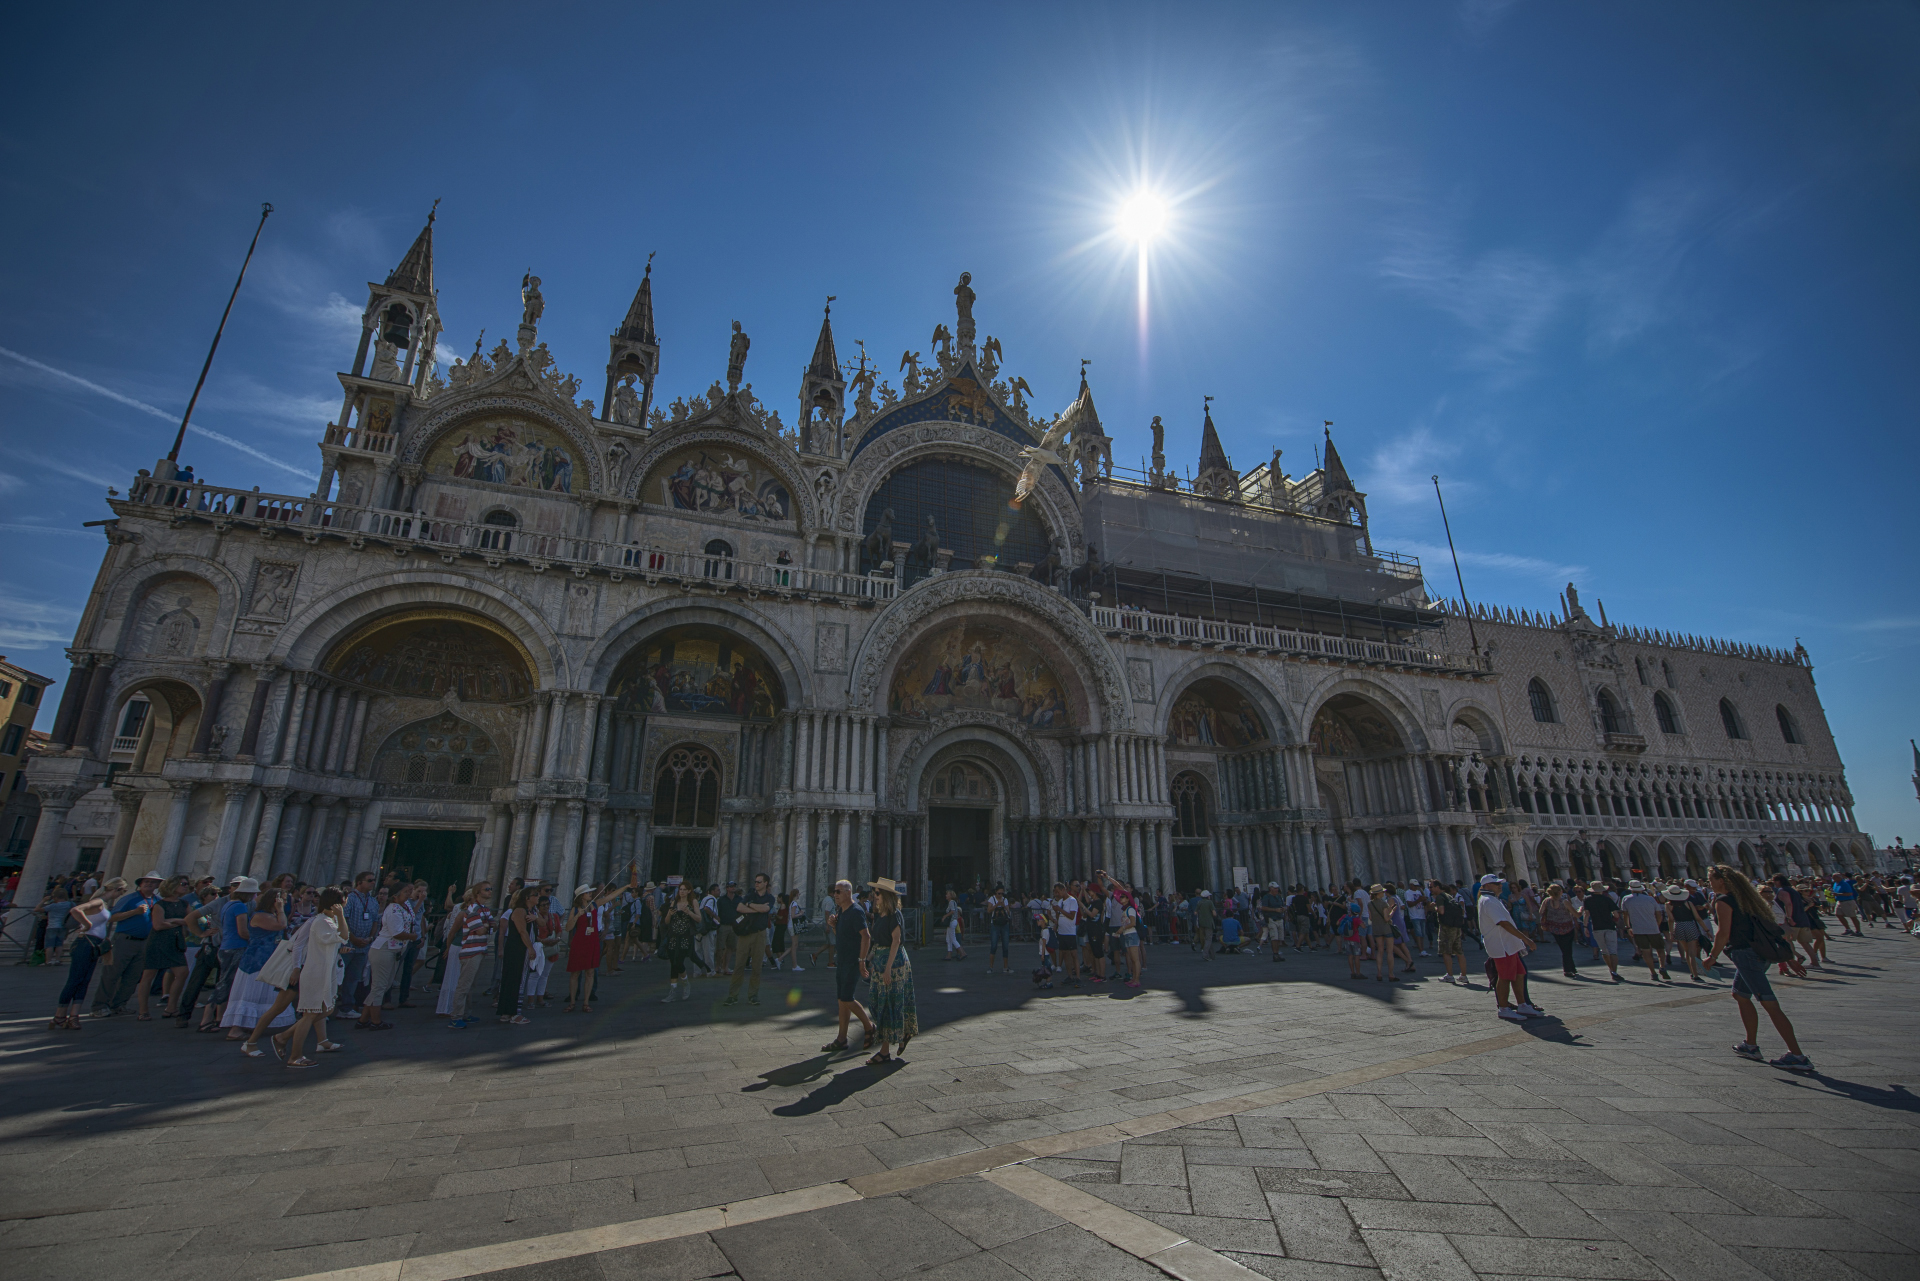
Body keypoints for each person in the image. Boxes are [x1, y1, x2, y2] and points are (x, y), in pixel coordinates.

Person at [1704, 864, 1813, 1072]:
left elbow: (1723, 933)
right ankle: (1750, 1045)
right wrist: (1788, 957)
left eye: (1711, 879)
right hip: (1760, 954)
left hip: (1746, 955)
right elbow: (1771, 930)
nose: (1710, 883)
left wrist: (1712, 957)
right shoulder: (1749, 899)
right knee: (1740, 995)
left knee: (1769, 1003)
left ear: (1722, 881)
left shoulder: (1723, 900)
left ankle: (1797, 1056)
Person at [280, 889, 346, 1068]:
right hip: (316, 971)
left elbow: (340, 940)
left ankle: (284, 1036)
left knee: (326, 1010)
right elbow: (343, 936)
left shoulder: (329, 920)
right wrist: (296, 968)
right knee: (310, 1014)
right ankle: (294, 1055)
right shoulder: (320, 920)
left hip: (325, 970)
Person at [230, 889, 294, 1052]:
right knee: (249, 993)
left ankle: (252, 1025)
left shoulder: (272, 915)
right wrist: (280, 910)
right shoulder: (260, 916)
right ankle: (235, 1028)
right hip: (255, 960)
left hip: (268, 960)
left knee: (262, 994)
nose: (285, 903)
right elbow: (281, 925)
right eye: (283, 900)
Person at [90, 871, 161, 1017]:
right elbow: (112, 917)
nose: (149, 884)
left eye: (153, 882)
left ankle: (119, 1004)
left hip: (145, 942)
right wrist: (134, 912)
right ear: (140, 884)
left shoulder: (158, 900)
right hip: (124, 940)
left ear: (157, 885)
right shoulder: (129, 899)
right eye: (146, 881)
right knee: (111, 974)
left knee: (133, 977)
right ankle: (100, 1005)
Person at [51, 879, 119, 1030]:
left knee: (84, 980)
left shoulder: (103, 904)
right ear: (116, 889)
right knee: (75, 979)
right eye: (122, 891)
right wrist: (87, 924)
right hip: (85, 942)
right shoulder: (98, 901)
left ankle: (74, 1015)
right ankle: (60, 1015)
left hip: (95, 944)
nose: (120, 894)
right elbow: (76, 910)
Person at [865, 879, 916, 1064]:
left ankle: (884, 1051)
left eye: (877, 893)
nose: (874, 896)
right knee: (876, 1002)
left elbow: (896, 941)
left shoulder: (895, 914)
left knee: (888, 1004)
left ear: (886, 895)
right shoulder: (879, 914)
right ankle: (904, 1033)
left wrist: (887, 968)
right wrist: (867, 959)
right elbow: (878, 941)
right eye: (874, 893)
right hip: (880, 961)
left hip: (894, 965)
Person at [1476, 875, 1539, 1021]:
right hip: (1501, 944)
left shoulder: (1492, 899)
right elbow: (1503, 923)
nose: (1500, 886)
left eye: (1499, 884)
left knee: (1519, 973)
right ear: (1487, 886)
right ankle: (1503, 1008)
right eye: (1496, 884)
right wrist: (1526, 939)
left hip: (1508, 944)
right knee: (1505, 976)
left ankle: (1522, 1004)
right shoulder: (1488, 901)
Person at [823, 879, 876, 1052]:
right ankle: (841, 1039)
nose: (835, 895)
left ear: (848, 892)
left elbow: (866, 936)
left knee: (846, 998)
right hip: (843, 960)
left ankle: (869, 1026)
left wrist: (862, 961)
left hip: (853, 961)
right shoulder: (841, 911)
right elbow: (842, 935)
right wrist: (833, 926)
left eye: (838, 892)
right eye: (834, 891)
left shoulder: (856, 911)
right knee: (842, 1000)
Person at [360, 882, 417, 1030]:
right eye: (405, 891)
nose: (409, 894)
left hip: (395, 950)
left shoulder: (405, 906)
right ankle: (375, 1021)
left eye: (410, 891)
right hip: (384, 949)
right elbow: (396, 932)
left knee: (384, 985)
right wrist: (412, 936)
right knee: (379, 986)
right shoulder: (393, 909)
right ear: (395, 895)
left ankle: (363, 1019)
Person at [135, 875, 192, 1020]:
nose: (186, 886)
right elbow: (158, 925)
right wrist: (179, 922)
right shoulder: (160, 905)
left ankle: (171, 1007)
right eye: (183, 884)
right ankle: (143, 1011)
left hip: (176, 941)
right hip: (158, 941)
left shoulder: (184, 904)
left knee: (182, 972)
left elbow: (190, 920)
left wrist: (173, 921)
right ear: (173, 886)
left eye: (187, 884)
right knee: (148, 975)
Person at [724, 872, 777, 1006]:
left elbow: (766, 909)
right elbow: (739, 907)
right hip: (745, 934)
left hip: (760, 933)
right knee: (739, 965)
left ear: (765, 883)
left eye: (759, 882)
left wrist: (749, 905)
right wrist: (757, 908)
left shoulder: (770, 897)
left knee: (757, 966)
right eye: (755, 881)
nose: (756, 884)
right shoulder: (750, 895)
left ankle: (753, 995)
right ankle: (733, 995)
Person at [337, 871, 380, 1019]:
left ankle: (346, 1008)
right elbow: (343, 920)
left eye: (374, 880)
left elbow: (375, 920)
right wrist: (353, 938)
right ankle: (326, 1008)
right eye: (370, 880)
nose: (373, 883)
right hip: (348, 944)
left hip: (363, 946)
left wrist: (370, 938)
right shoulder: (350, 898)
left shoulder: (373, 901)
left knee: (353, 978)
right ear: (360, 882)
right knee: (336, 976)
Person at [496, 886, 536, 1024]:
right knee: (516, 979)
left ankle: (507, 1012)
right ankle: (514, 1012)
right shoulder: (520, 910)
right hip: (517, 949)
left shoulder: (530, 911)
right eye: (535, 895)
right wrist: (530, 948)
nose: (538, 897)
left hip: (519, 948)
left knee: (515, 978)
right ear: (527, 898)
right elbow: (522, 931)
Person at [1620, 881, 1671, 983]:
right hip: (1653, 928)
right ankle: (1662, 966)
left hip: (1638, 929)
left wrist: (1628, 927)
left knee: (1646, 951)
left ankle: (1653, 972)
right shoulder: (1650, 899)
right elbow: (1658, 913)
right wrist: (1657, 924)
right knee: (1660, 949)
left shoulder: (1626, 899)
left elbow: (1625, 915)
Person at [1663, 885, 1708, 982]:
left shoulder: (1668, 905)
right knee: (1692, 952)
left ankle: (1692, 972)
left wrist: (1671, 932)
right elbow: (1697, 918)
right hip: (1690, 925)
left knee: (1687, 951)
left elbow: (1671, 920)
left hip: (1678, 926)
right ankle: (1695, 974)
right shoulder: (1688, 903)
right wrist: (1706, 930)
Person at [1581, 880, 1623, 982]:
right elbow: (1616, 914)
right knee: (1613, 951)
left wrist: (1585, 927)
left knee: (1604, 950)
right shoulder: (1607, 899)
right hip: (1609, 926)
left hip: (1597, 927)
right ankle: (1614, 971)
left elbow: (1586, 914)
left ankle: (1611, 969)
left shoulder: (1587, 900)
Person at [1539, 882, 1578, 978]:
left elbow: (1541, 911)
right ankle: (1568, 969)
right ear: (1560, 892)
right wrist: (1581, 910)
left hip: (1554, 928)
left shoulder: (1546, 901)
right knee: (1567, 949)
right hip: (1567, 927)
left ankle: (1572, 967)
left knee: (1564, 948)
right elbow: (1576, 914)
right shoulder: (1564, 902)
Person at [1435, 881, 1471, 983]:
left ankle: (1450, 975)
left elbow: (1441, 911)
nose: (1430, 889)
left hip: (1446, 927)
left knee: (1446, 951)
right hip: (1456, 926)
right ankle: (1463, 975)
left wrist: (1434, 907)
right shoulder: (1450, 897)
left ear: (1438, 887)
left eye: (1431, 887)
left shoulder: (1440, 897)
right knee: (1459, 952)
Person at [985, 884, 1013, 974]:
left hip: (1004, 924)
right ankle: (991, 967)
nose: (1000, 895)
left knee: (1005, 946)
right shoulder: (992, 899)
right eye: (999, 893)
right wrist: (996, 905)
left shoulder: (1005, 900)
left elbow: (1008, 912)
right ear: (995, 892)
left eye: (1002, 893)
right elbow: (988, 910)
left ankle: (1005, 967)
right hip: (995, 924)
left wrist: (1004, 906)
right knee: (993, 945)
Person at [1829, 872, 1862, 936]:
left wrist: (1838, 894)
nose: (1833, 879)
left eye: (1834, 877)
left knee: (1852, 916)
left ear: (1839, 877)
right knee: (1838, 914)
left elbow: (1850, 893)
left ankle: (1858, 931)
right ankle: (1848, 929)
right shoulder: (1835, 884)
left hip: (1847, 901)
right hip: (1839, 901)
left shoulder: (1844, 884)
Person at [941, 888, 968, 962]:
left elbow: (952, 911)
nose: (946, 895)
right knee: (948, 939)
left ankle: (962, 952)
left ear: (951, 895)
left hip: (952, 921)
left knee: (953, 939)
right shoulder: (953, 902)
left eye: (947, 894)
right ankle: (949, 954)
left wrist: (945, 916)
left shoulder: (951, 902)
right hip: (953, 921)